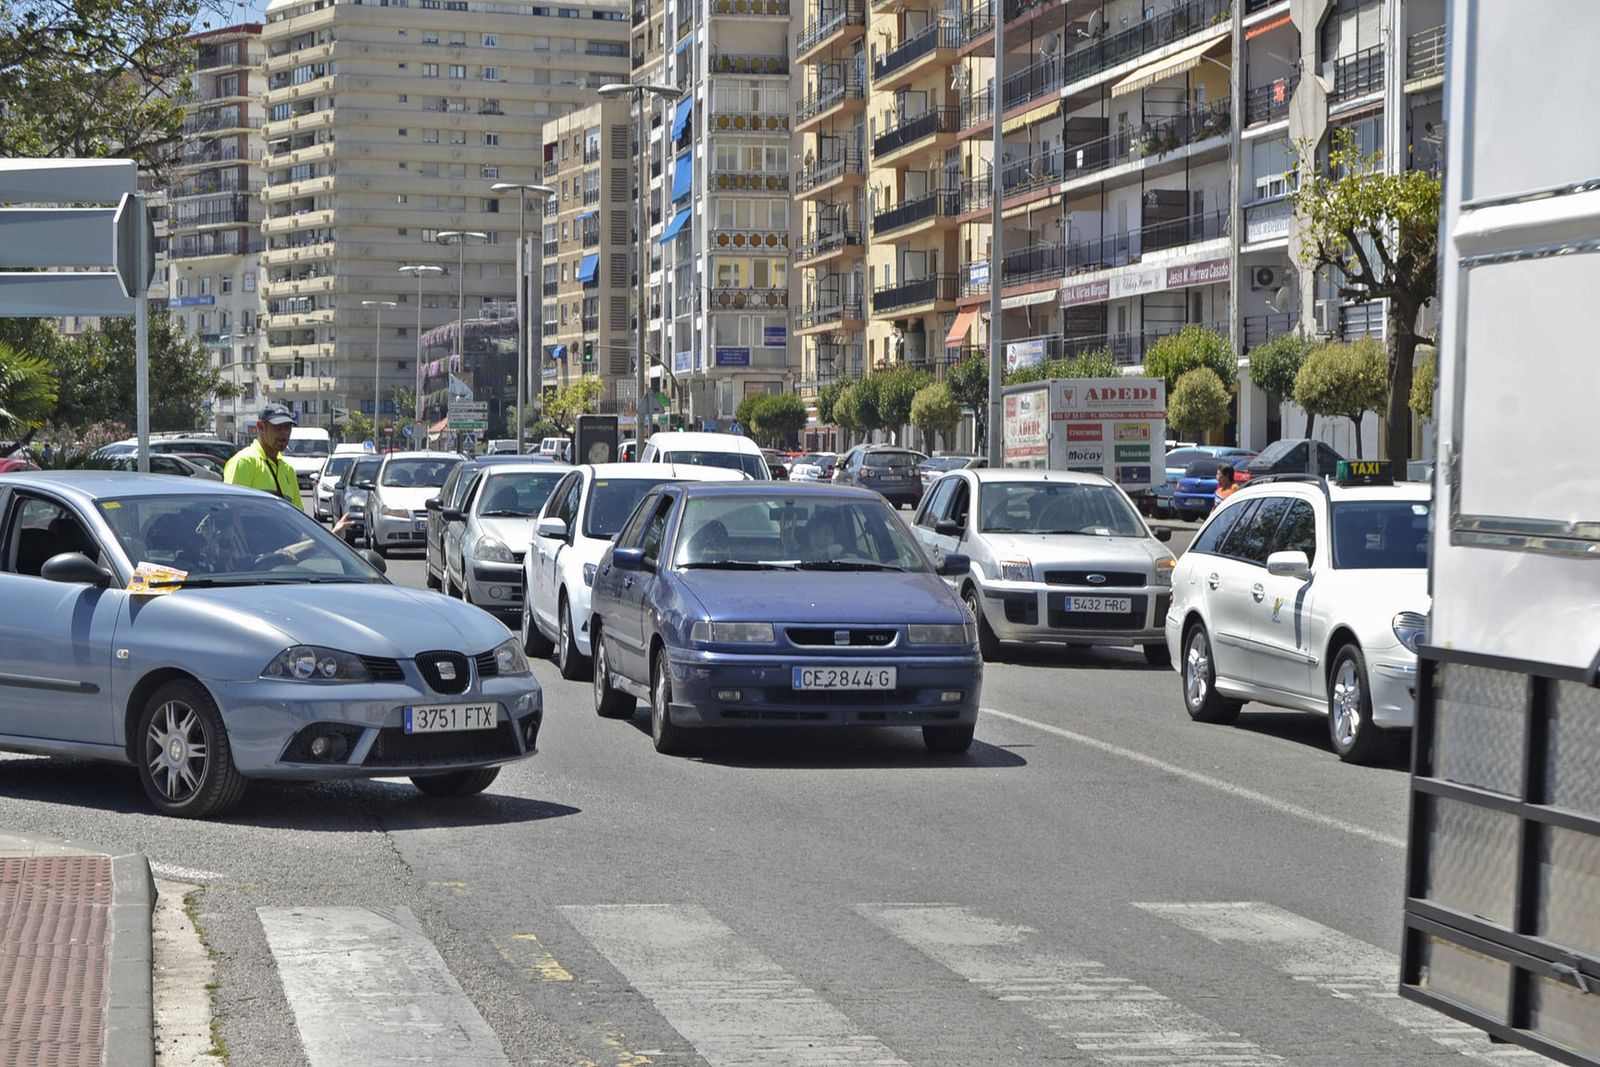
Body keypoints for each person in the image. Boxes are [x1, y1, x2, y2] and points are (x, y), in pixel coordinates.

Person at [223, 403, 303, 509]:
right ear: (261, 427)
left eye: (288, 428)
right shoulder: (245, 462)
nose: (284, 434)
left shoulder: (288, 470)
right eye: (278, 427)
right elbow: (232, 509)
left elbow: (297, 513)